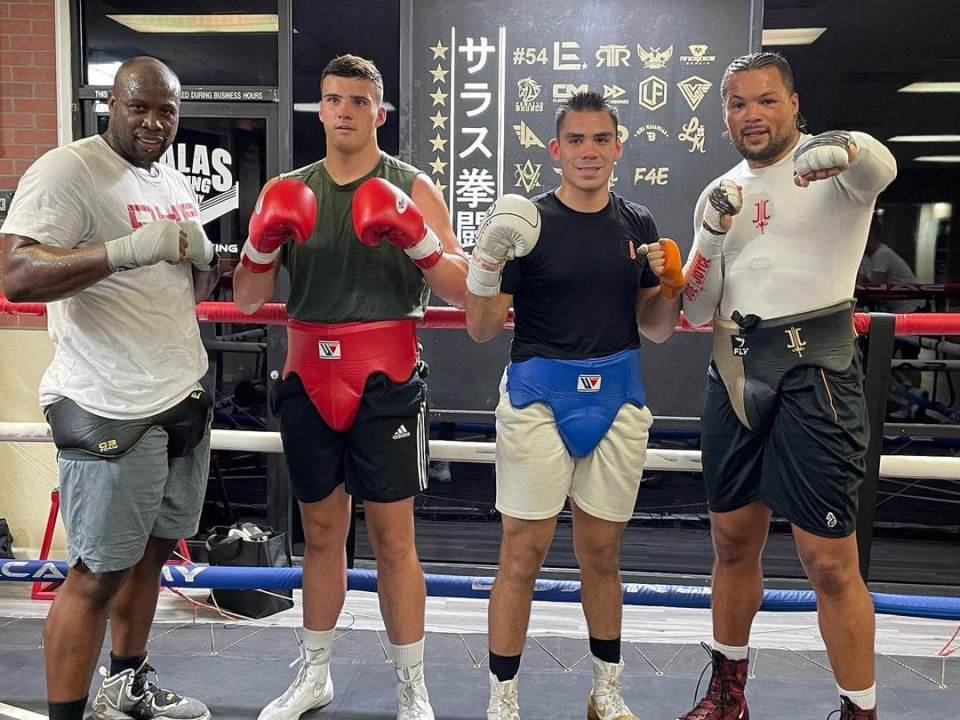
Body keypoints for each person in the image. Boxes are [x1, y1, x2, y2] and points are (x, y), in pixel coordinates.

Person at [233, 54, 467, 720]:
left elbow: (458, 285)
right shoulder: (287, 187)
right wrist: (259, 244)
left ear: (379, 113)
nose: (344, 111)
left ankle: (411, 684)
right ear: (320, 109)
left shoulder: (412, 185)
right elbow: (249, 300)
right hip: (309, 375)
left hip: (386, 376)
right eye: (333, 99)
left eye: (358, 101)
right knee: (321, 534)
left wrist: (414, 237)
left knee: (395, 539)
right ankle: (314, 674)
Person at [679, 52, 897, 720]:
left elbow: (881, 167)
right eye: (738, 103)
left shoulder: (836, 174)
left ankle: (860, 711)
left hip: (817, 372)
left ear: (794, 103)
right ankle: (727, 696)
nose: (752, 114)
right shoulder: (717, 193)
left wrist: (845, 147)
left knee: (829, 561)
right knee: (731, 542)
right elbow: (692, 308)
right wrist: (710, 237)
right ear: (724, 115)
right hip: (735, 370)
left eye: (766, 100)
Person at [0, 57, 218, 720]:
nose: (153, 122)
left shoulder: (171, 179)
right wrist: (127, 249)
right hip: (108, 403)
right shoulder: (68, 170)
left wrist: (207, 263)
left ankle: (125, 685)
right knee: (94, 575)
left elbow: (174, 284)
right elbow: (15, 274)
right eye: (138, 107)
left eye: (166, 111)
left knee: (150, 558)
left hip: (179, 394)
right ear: (109, 104)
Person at [465, 91, 685, 720]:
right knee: (522, 549)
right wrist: (486, 263)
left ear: (618, 146)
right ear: (555, 150)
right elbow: (482, 328)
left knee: (602, 554)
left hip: (616, 392)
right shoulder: (527, 222)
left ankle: (606, 692)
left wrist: (669, 284)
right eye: (576, 141)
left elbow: (659, 326)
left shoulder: (637, 223)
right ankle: (502, 699)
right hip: (539, 391)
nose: (589, 152)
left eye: (601, 140)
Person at [858, 215, 925, 314]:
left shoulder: (882, 253)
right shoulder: (865, 258)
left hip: (911, 305)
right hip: (895, 307)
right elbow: (860, 283)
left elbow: (875, 286)